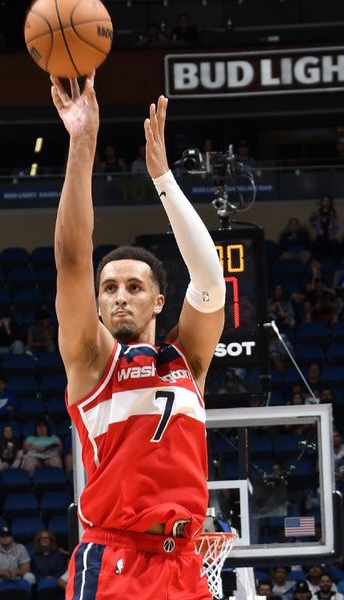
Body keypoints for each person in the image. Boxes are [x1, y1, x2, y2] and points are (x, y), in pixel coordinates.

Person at [51, 74, 224, 599]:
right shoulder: (90, 360)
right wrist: (82, 142)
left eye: (133, 286)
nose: (119, 296)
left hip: (186, 563)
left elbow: (211, 282)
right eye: (108, 289)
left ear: (157, 300)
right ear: (98, 304)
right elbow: (73, 257)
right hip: (116, 562)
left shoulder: (186, 361)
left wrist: (164, 178)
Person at [0, 527, 35, 600]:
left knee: (30, 576)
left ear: (12, 538)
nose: (5, 538)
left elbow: (26, 568)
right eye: (2, 536)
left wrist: (16, 572)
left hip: (17, 577)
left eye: (7, 536)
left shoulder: (20, 547)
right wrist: (3, 573)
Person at [309, 194, 338, 261]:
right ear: (321, 202)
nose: (326, 202)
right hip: (320, 236)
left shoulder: (333, 213)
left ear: (330, 202)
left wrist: (333, 235)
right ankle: (320, 262)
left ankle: (332, 262)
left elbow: (335, 226)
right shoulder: (317, 212)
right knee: (314, 245)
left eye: (328, 201)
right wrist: (313, 217)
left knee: (334, 244)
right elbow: (314, 225)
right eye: (324, 201)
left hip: (329, 236)